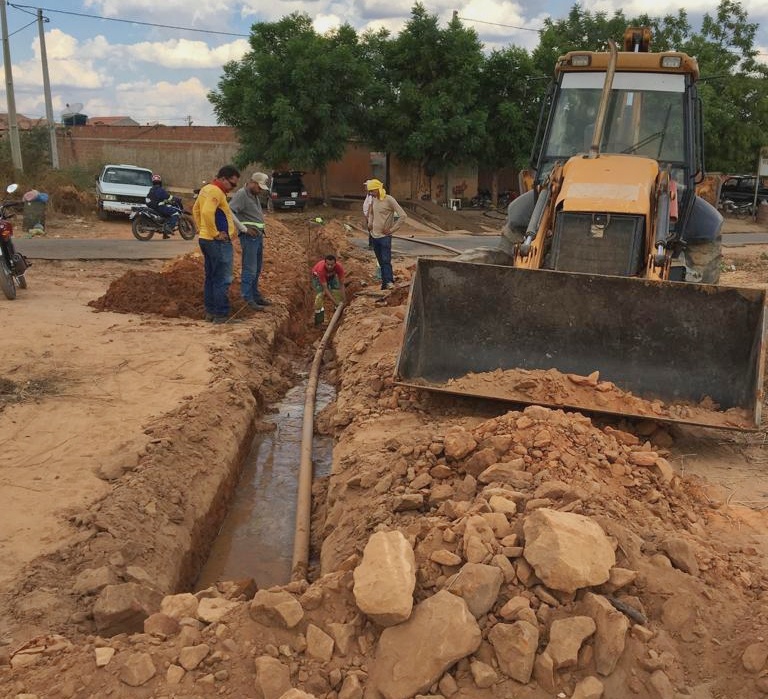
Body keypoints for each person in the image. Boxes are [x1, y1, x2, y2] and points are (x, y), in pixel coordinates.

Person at [192, 165, 240, 324]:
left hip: (206, 240)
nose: (232, 188)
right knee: (222, 278)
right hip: (216, 242)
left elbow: (195, 210)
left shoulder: (205, 189)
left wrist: (202, 229)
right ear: (223, 179)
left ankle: (211, 312)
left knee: (211, 277)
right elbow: (205, 212)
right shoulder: (215, 192)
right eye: (232, 184)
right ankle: (221, 314)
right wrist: (214, 233)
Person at [229, 172, 272, 311]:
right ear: (252, 183)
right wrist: (243, 228)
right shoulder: (242, 194)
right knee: (250, 269)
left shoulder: (253, 195)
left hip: (257, 236)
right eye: (259, 187)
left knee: (257, 268)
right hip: (249, 237)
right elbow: (229, 211)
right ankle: (247, 299)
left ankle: (255, 295)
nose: (260, 191)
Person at [365, 178, 406, 290]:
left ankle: (389, 282)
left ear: (378, 189)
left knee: (385, 260)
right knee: (380, 261)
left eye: (372, 191)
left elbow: (403, 216)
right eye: (370, 191)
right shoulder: (374, 200)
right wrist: (370, 223)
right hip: (374, 236)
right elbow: (372, 213)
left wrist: (392, 229)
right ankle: (384, 284)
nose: (370, 193)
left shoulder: (389, 200)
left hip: (384, 237)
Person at [311, 254, 346, 326]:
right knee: (319, 297)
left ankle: (338, 316)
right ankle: (319, 321)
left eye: (332, 265)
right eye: (328, 264)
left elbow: (341, 285)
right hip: (317, 278)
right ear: (325, 263)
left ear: (335, 264)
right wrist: (334, 302)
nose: (330, 266)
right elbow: (325, 289)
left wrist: (344, 299)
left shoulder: (339, 268)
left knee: (337, 292)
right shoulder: (321, 270)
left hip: (331, 277)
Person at [147, 174, 180, 238]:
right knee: (175, 213)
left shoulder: (151, 189)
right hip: (160, 207)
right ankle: (169, 228)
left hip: (153, 207)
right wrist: (176, 199)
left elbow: (159, 198)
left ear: (153, 182)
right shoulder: (160, 190)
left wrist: (165, 201)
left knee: (166, 217)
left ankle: (165, 234)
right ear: (160, 182)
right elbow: (168, 197)